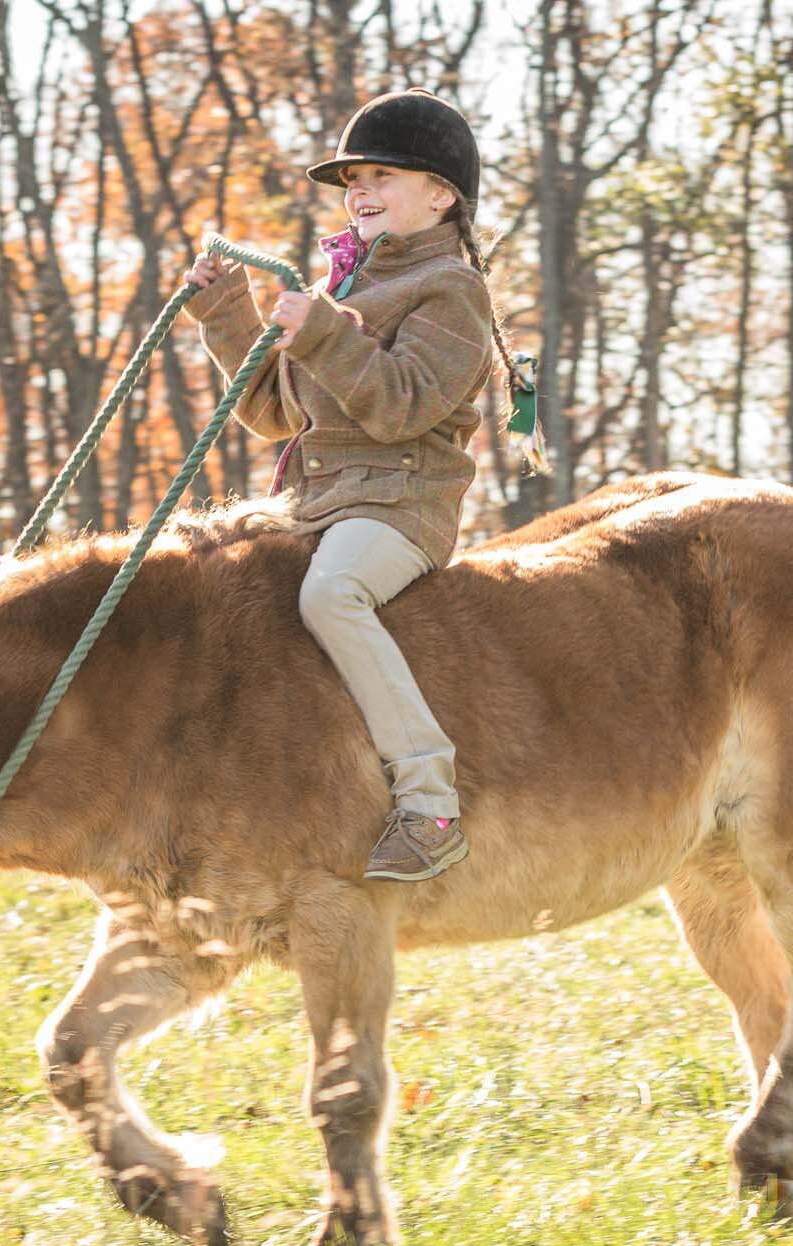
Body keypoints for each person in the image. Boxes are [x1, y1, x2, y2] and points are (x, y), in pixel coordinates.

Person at [181, 87, 521, 883]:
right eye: (352, 179)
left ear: (441, 195)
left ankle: (431, 800)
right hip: (319, 501)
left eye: (382, 175)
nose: (359, 191)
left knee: (330, 596)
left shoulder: (452, 291)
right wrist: (226, 310)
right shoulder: (349, 287)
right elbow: (272, 411)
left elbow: (404, 402)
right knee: (205, 577)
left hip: (402, 507)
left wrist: (326, 331)